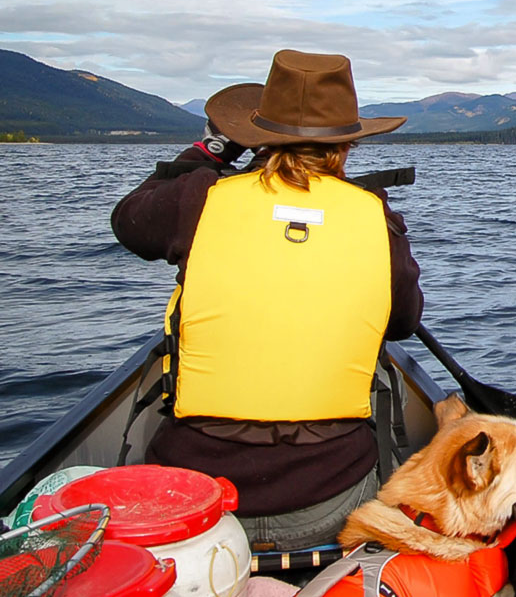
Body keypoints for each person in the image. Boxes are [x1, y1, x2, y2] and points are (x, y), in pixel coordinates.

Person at [111, 49, 423, 551]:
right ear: (345, 145)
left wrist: (211, 151)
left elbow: (127, 218)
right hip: (329, 499)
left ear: (256, 136)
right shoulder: (376, 218)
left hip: (199, 497)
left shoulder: (199, 197)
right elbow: (404, 322)